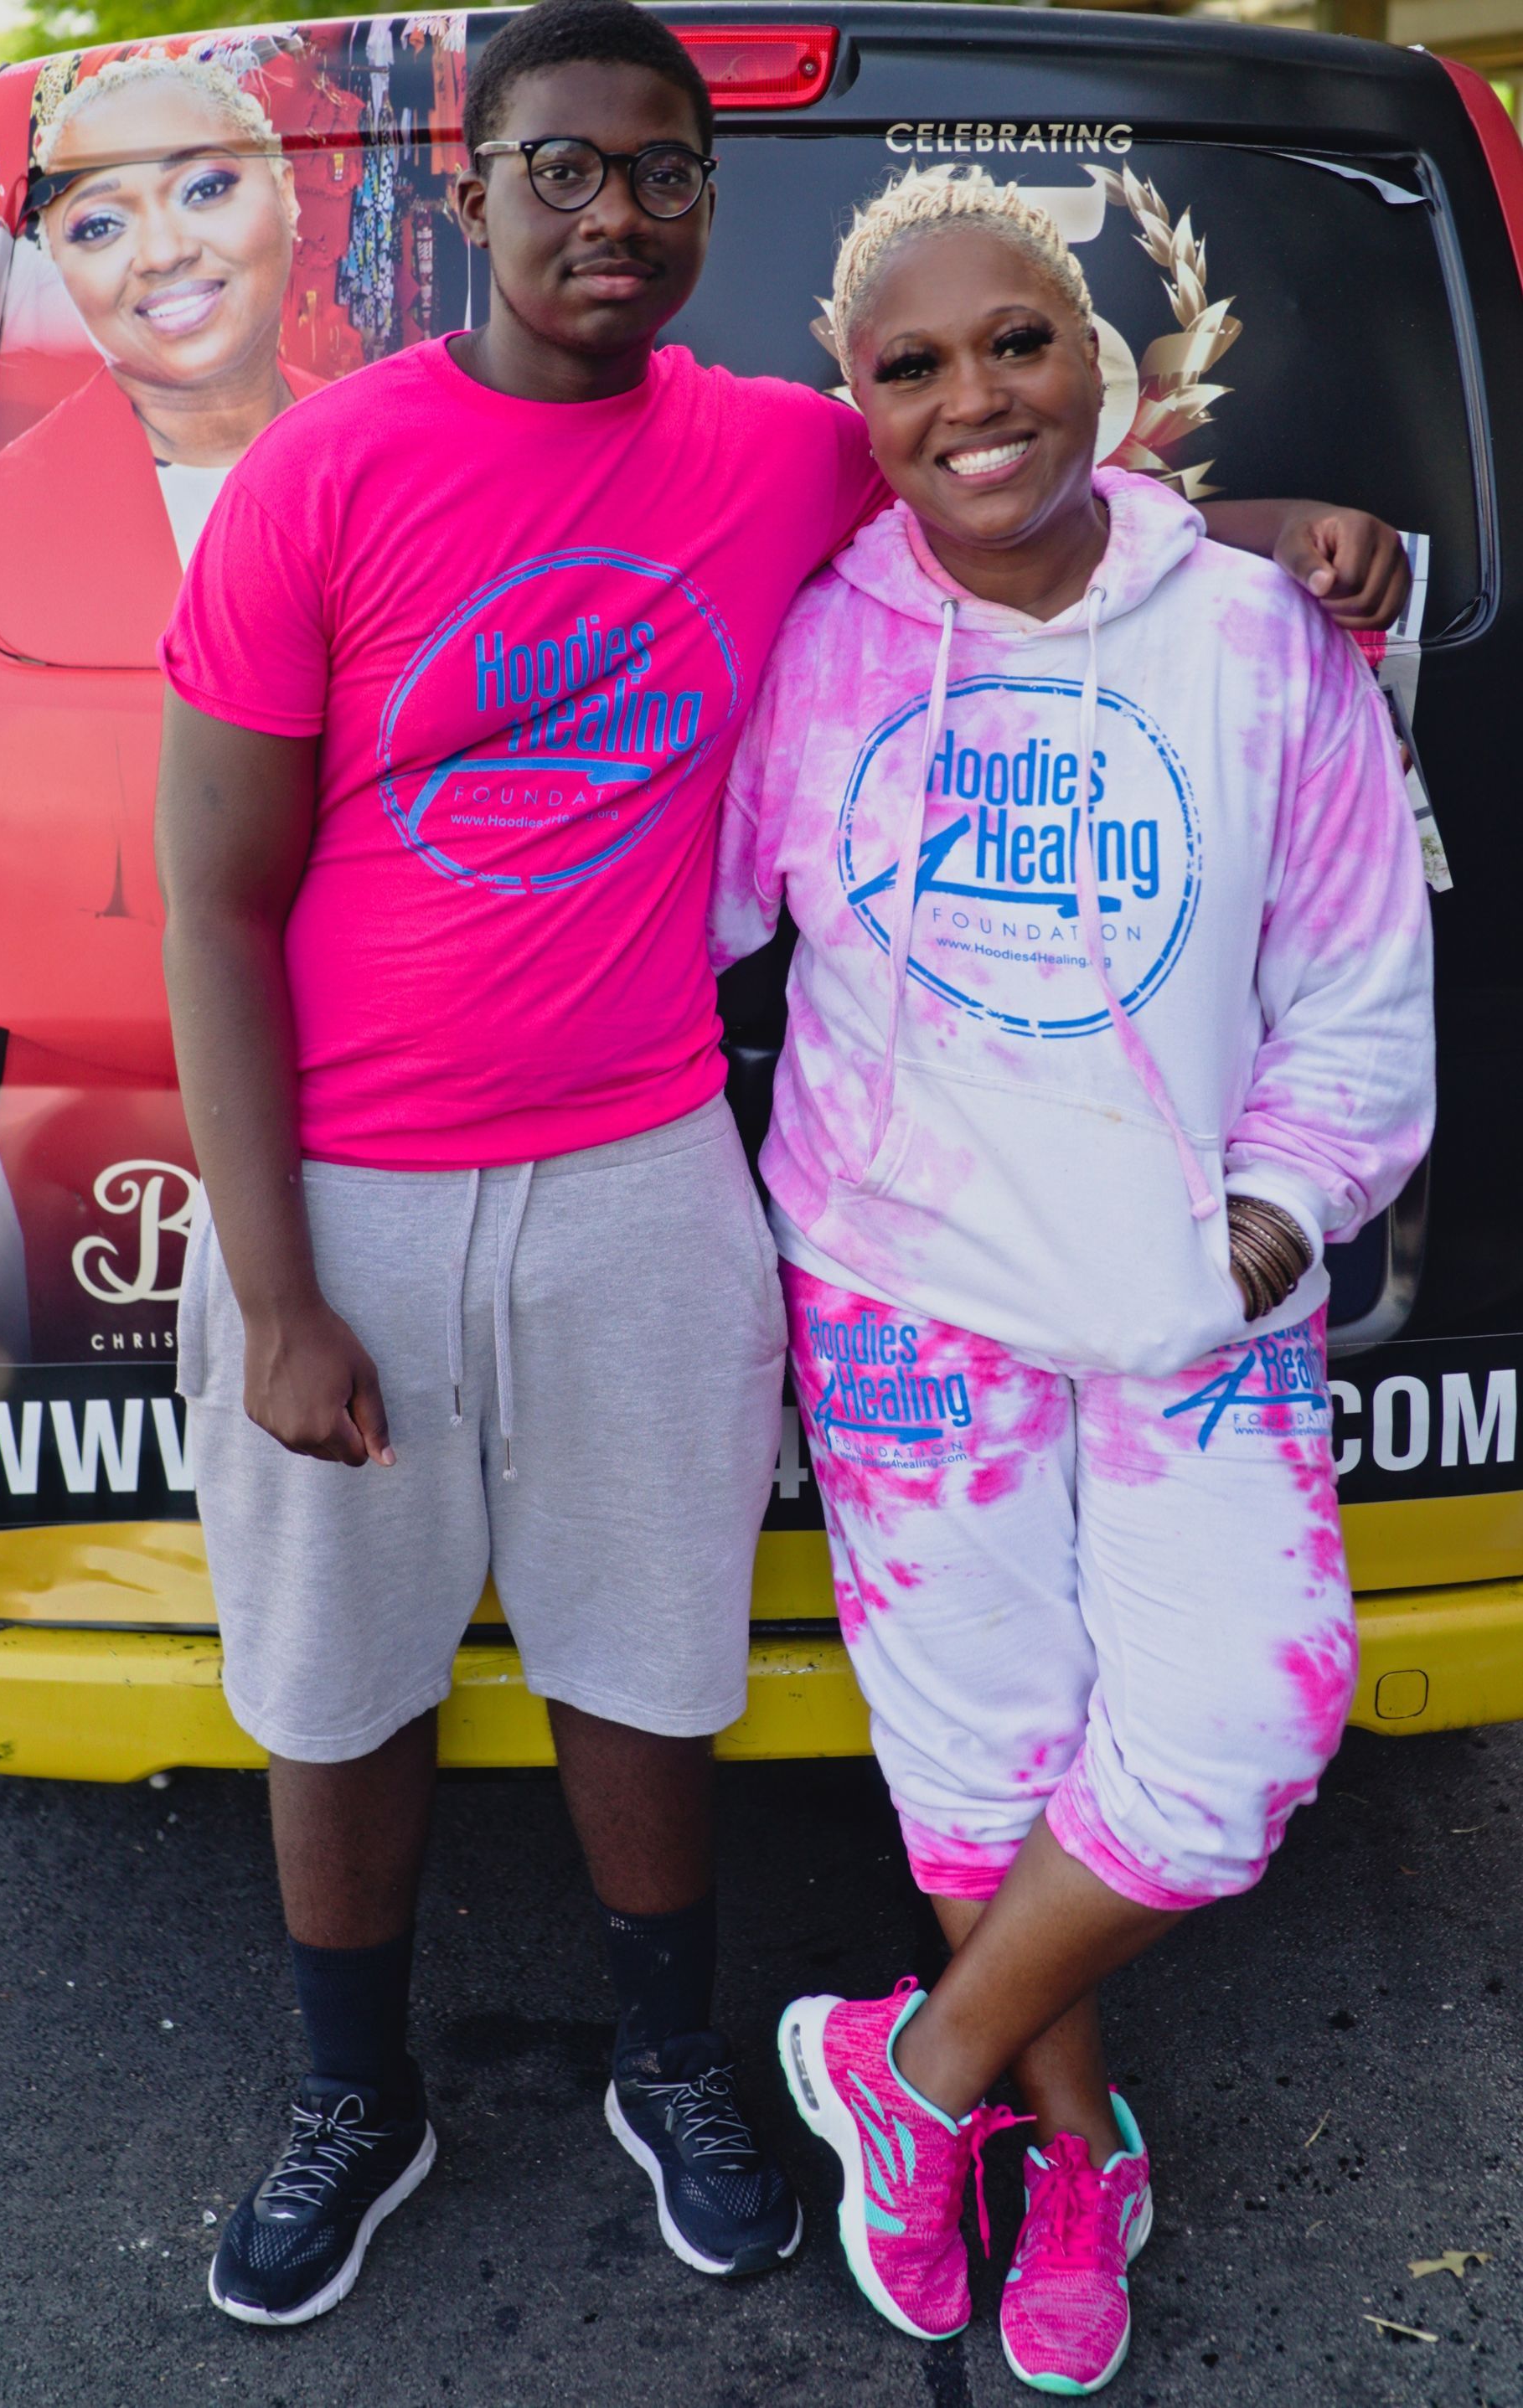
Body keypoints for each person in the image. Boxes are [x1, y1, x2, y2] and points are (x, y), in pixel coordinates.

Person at [154, 0, 1415, 2332]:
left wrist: (1261, 536)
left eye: (659, 172)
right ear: (467, 188)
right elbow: (210, 903)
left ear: (708, 205)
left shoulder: (775, 447)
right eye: (559, 168)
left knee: (653, 1660)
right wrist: (284, 1279)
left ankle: (692, 2067)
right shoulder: (322, 469)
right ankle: (353, 2096)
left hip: (648, 1163)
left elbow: (1018, 491)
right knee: (337, 1681)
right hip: (350, 1178)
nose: (611, 214)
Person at [709, 167, 1433, 2389]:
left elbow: (1358, 1000)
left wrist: (1260, 1231)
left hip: (1194, 1310)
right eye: (912, 366)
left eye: (1016, 341)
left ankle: (909, 2069)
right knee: (981, 1766)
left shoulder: (1256, 633)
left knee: (1242, 1732)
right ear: (858, 406)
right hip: (900, 1302)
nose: (974, 398)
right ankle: (1075, 2151)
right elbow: (656, 917)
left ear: (1096, 364)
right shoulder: (807, 652)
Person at [0, 47, 318, 1359]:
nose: (160, 252)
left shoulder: (407, 465)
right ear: (59, 265)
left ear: (287, 197)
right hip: (108, 1169)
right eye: (97, 223)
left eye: (204, 189)